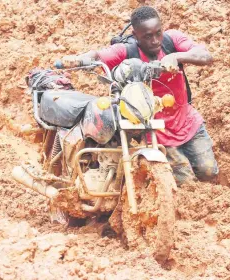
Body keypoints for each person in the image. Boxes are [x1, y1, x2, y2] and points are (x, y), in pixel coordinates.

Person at [63, 6, 218, 186]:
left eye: (158, 33)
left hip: (187, 121)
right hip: (156, 129)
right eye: (147, 36)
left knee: (209, 171)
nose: (155, 41)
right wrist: (80, 59)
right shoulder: (126, 51)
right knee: (186, 183)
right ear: (136, 36)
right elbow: (98, 55)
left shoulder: (172, 40)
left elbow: (205, 55)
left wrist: (176, 57)